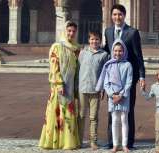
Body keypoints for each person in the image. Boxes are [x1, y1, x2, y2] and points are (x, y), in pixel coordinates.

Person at [104, 4, 146, 149]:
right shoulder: (108, 31)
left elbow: (138, 55)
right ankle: (112, 142)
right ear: (111, 16)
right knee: (112, 111)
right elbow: (106, 51)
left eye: (120, 14)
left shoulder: (132, 32)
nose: (117, 17)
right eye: (114, 14)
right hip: (113, 78)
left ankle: (128, 142)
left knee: (128, 110)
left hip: (129, 77)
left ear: (124, 15)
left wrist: (141, 76)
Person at [39, 21, 81, 150]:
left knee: (68, 113)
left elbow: (78, 68)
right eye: (69, 31)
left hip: (71, 86)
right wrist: (58, 83)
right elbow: (54, 66)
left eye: (73, 31)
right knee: (57, 112)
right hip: (59, 87)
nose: (71, 33)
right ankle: (54, 142)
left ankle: (67, 142)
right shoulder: (57, 46)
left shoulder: (76, 48)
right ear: (64, 31)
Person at [96, 39, 133, 153]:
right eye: (116, 51)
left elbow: (129, 82)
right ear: (112, 51)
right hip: (112, 97)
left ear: (124, 51)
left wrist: (121, 95)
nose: (118, 53)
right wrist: (112, 95)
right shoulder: (109, 65)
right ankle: (116, 145)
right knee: (115, 120)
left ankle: (125, 144)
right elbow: (106, 83)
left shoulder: (127, 65)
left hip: (124, 97)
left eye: (120, 51)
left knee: (124, 120)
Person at [78, 30, 108, 150]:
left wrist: (102, 89)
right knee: (81, 116)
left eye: (96, 39)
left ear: (100, 41)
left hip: (95, 89)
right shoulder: (83, 52)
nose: (94, 41)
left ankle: (93, 141)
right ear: (88, 40)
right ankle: (79, 140)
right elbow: (79, 67)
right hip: (82, 89)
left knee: (93, 117)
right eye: (92, 39)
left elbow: (104, 73)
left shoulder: (104, 55)